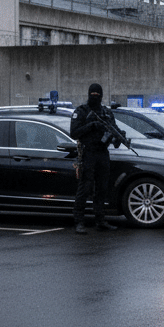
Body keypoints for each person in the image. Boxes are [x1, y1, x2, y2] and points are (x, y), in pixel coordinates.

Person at [69, 83, 121, 234]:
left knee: (102, 189)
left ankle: (100, 220)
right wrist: (91, 125)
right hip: (88, 153)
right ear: (89, 94)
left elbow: (114, 128)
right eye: (93, 94)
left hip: (102, 153)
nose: (95, 97)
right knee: (85, 188)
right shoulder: (82, 111)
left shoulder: (106, 112)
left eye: (98, 94)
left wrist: (119, 137)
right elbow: (74, 133)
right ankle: (79, 221)